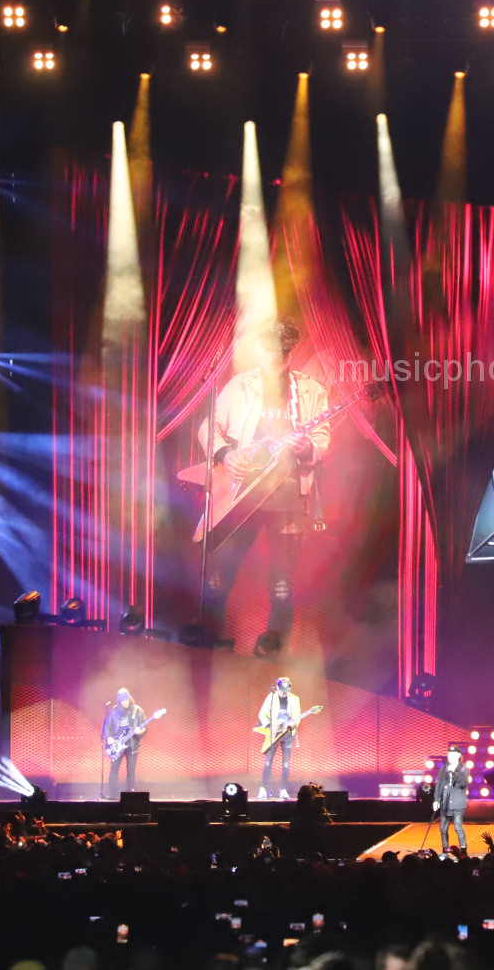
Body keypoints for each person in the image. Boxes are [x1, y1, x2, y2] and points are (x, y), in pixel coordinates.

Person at [197, 319, 332, 645]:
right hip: (242, 494)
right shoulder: (241, 386)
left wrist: (308, 447)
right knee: (223, 568)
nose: (273, 359)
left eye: (280, 353)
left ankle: (276, 637)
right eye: (268, 351)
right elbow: (208, 426)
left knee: (283, 576)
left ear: (289, 354)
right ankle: (211, 630)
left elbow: (323, 439)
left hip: (287, 496)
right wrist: (225, 454)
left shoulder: (311, 390)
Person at [257, 676, 302, 800]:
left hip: (287, 734)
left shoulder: (294, 699)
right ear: (277, 687)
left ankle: (283, 790)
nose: (284, 693)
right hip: (273, 734)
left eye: (286, 691)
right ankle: (263, 789)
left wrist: (293, 724)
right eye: (282, 690)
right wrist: (269, 725)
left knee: (286, 764)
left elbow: (297, 715)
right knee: (268, 762)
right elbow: (262, 714)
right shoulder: (271, 697)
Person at [101, 688, 149, 799]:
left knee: (131, 770)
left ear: (129, 698)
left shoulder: (138, 711)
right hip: (117, 744)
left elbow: (145, 727)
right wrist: (109, 737)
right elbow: (107, 726)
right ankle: (112, 794)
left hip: (132, 744)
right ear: (119, 701)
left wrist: (140, 731)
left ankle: (130, 795)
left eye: (126, 700)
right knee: (114, 769)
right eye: (122, 701)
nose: (125, 702)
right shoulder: (114, 710)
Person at [434, 745, 470, 855]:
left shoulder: (463, 769)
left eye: (453, 755)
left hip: (457, 803)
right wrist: (436, 800)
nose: (450, 757)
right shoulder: (444, 769)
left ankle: (463, 851)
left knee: (458, 826)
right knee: (443, 828)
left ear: (458, 755)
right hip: (445, 803)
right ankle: (445, 850)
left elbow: (462, 784)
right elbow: (439, 784)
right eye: (449, 754)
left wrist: (453, 773)